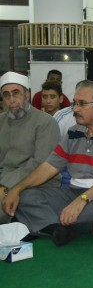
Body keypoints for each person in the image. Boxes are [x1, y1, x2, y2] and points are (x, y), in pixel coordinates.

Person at [3, 81, 93, 246]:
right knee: (25, 196)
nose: (75, 109)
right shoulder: (74, 132)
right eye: (75, 103)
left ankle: (45, 223)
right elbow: (49, 167)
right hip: (71, 193)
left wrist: (82, 200)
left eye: (82, 104)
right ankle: (57, 228)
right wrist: (17, 188)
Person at [0, 72, 60, 224]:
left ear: (27, 95)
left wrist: (5, 185)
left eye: (16, 93)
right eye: (6, 95)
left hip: (36, 182)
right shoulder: (1, 121)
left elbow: (40, 164)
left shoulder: (45, 122)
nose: (11, 100)